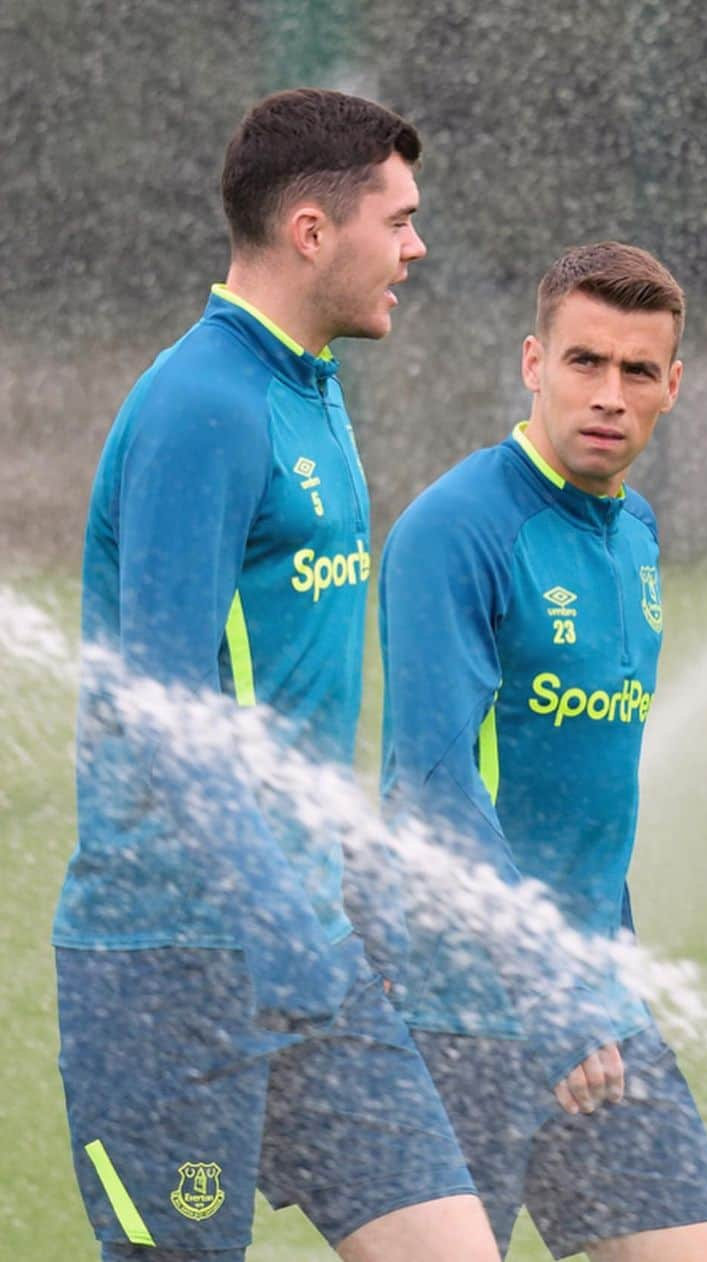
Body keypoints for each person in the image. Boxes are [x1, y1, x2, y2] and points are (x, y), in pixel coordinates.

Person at [52, 88, 500, 1262]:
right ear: (313, 230)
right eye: (396, 221)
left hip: (311, 955)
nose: (416, 247)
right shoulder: (206, 406)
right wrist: (272, 917)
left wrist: (346, 894)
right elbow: (161, 712)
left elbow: (284, 709)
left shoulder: (310, 392)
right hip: (174, 966)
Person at [378, 241, 707, 1260]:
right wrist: (552, 987)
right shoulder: (456, 528)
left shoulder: (637, 532)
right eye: (584, 361)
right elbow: (435, 788)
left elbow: (593, 786)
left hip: (596, 1006)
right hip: (456, 1014)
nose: (608, 393)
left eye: (635, 370)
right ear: (534, 363)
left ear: (673, 385)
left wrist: (599, 968)